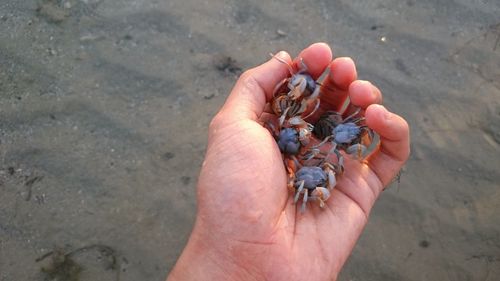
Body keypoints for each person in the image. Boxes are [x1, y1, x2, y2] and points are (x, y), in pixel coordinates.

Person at [167, 43, 410, 281]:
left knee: (349, 128)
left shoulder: (321, 150)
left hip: (313, 149)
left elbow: (326, 148)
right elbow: (299, 130)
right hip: (301, 150)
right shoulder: (302, 147)